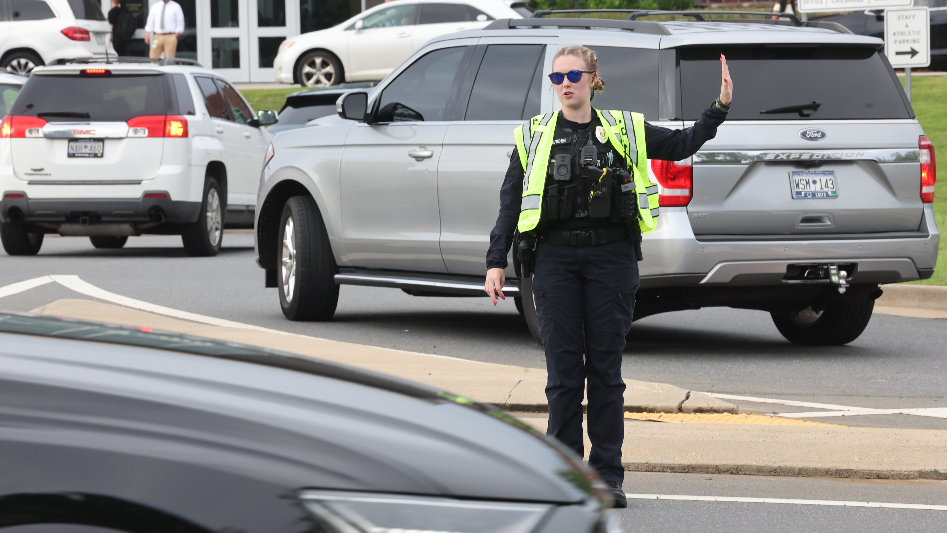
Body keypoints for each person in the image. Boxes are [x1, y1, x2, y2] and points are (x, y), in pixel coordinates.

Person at [483, 45, 733, 508]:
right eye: (557, 77)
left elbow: (681, 145)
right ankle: (563, 476)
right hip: (554, 262)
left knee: (604, 374)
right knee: (562, 375)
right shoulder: (534, 136)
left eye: (574, 74)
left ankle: (605, 479)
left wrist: (717, 110)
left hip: (611, 261)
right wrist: (495, 261)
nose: (565, 84)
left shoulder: (625, 128)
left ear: (593, 78)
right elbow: (510, 202)